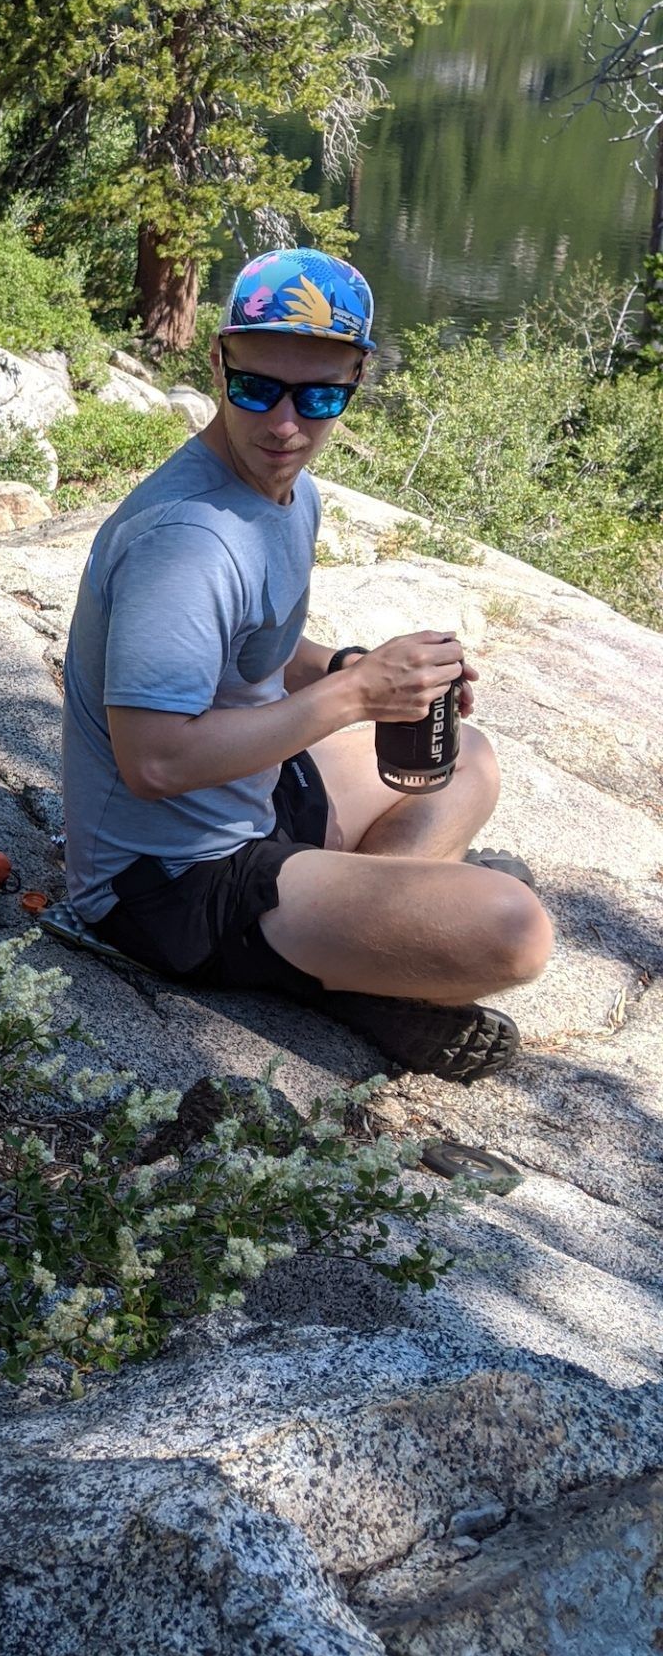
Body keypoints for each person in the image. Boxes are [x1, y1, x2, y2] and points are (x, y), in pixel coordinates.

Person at [59, 247, 553, 1082]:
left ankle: (359, 953)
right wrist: (357, 696)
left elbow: (262, 655)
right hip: (165, 886)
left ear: (358, 378)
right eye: (256, 388)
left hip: (253, 803)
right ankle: (356, 970)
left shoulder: (288, 489)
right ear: (217, 361)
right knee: (513, 929)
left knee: (463, 758)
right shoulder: (189, 541)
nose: (284, 424)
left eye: (320, 396)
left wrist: (354, 668)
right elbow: (153, 761)